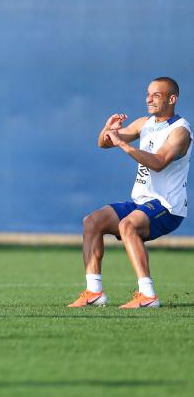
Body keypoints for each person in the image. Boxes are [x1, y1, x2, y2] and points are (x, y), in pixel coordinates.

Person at [69, 77, 191, 309]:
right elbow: (104, 143)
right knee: (92, 221)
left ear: (172, 99)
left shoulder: (180, 131)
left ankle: (148, 295)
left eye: (156, 94)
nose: (149, 98)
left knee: (128, 225)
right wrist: (109, 130)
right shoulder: (144, 123)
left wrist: (125, 145)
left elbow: (158, 162)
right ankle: (93, 293)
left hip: (167, 207)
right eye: (148, 93)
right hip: (141, 202)